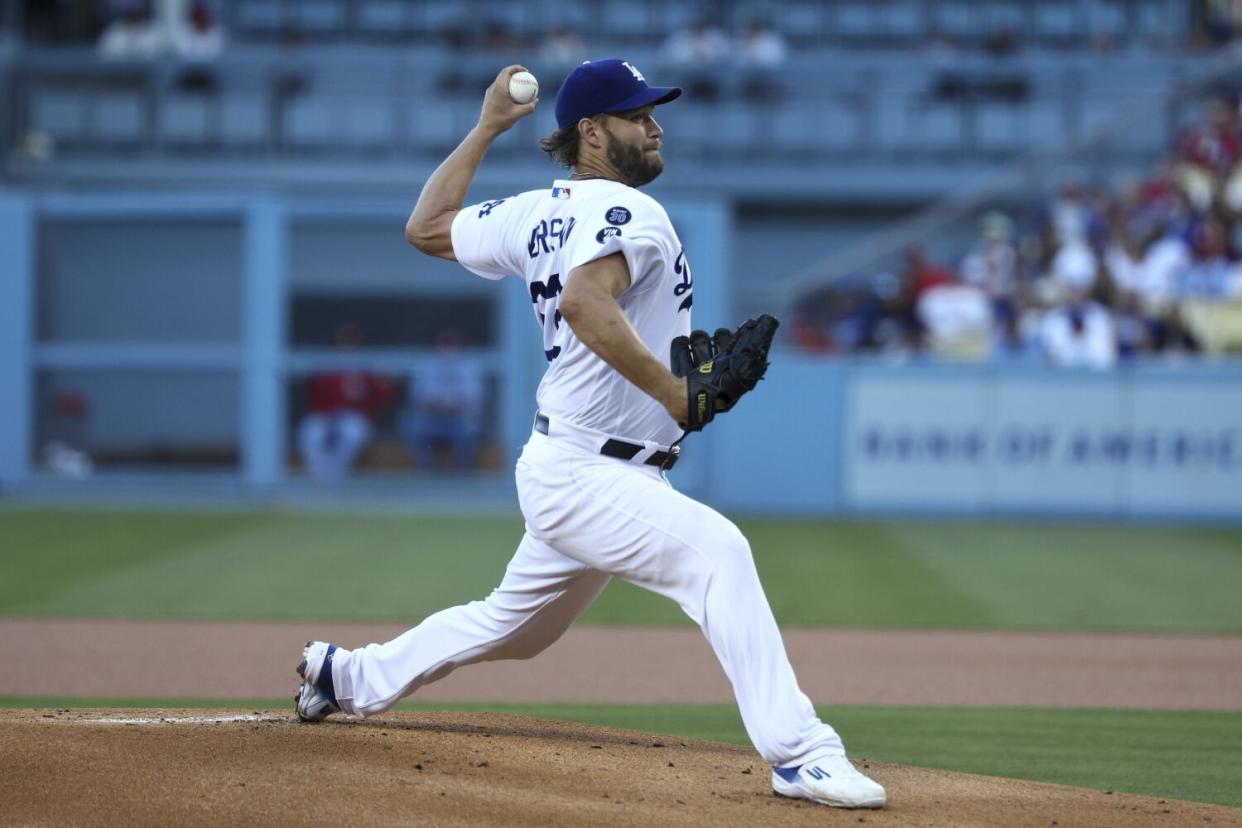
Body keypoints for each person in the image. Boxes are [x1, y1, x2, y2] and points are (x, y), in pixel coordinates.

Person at [294, 60, 886, 810]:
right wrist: (674, 390)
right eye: (639, 115)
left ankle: (344, 676)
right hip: (584, 473)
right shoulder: (634, 213)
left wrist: (484, 127)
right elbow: (582, 301)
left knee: (515, 630)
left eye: (652, 112)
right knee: (720, 557)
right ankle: (801, 754)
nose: (656, 125)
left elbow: (428, 227)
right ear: (592, 131)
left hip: (581, 466)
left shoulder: (535, 213)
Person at [296, 323, 396, 480]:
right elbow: (314, 394)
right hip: (325, 414)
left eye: (352, 339)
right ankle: (320, 477)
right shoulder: (326, 363)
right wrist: (328, 413)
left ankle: (336, 476)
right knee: (310, 432)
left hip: (354, 416)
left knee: (352, 433)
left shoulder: (367, 364)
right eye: (345, 339)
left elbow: (383, 393)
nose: (348, 343)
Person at [400, 329, 486, 470]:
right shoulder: (425, 365)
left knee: (470, 430)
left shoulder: (469, 366)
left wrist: (449, 405)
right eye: (444, 343)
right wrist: (441, 405)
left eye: (451, 343)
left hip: (459, 421)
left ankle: (461, 476)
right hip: (430, 419)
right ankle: (425, 474)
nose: (447, 348)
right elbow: (417, 399)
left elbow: (474, 399)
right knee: (411, 426)